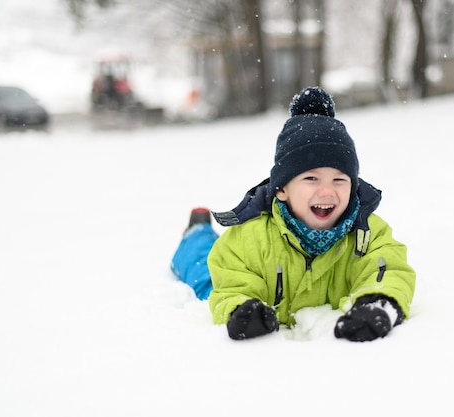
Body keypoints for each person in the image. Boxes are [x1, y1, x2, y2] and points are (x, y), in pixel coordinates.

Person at [173, 86, 416, 342]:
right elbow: (232, 282)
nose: (327, 191)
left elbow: (388, 270)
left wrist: (378, 303)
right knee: (202, 271)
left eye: (339, 179)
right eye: (311, 178)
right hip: (235, 276)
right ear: (281, 190)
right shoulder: (250, 237)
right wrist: (242, 309)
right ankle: (197, 232)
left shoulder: (367, 234)